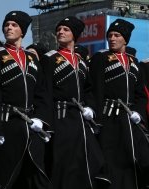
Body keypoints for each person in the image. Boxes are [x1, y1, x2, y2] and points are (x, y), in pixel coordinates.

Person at [40, 16, 110, 189]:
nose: (60, 32)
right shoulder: (49, 58)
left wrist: (91, 109)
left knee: (92, 159)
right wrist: (46, 123)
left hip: (81, 119)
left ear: (75, 35)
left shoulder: (81, 61)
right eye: (59, 29)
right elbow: (44, 92)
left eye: (66, 29)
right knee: (65, 163)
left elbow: (88, 90)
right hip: (61, 118)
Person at [0, 11, 52, 189]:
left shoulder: (31, 58)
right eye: (7, 25)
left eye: (14, 25)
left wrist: (41, 119)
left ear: (23, 31)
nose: (9, 28)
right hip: (8, 124)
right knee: (7, 175)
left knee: (36, 176)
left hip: (32, 125)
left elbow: (41, 92)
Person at [89, 18, 149, 189]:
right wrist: (98, 120)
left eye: (117, 35)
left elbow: (140, 94)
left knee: (134, 159)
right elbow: (95, 90)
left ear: (125, 39)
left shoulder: (134, 62)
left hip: (130, 120)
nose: (112, 39)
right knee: (112, 160)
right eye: (110, 35)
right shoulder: (101, 58)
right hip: (109, 119)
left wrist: (138, 112)